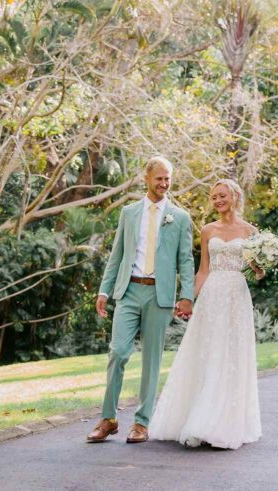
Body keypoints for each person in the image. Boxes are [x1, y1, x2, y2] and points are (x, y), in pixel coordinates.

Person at [147, 178, 263, 449]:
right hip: (212, 296)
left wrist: (260, 266)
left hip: (237, 295)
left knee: (232, 355)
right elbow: (203, 270)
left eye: (222, 195)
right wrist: (189, 299)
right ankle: (200, 419)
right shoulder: (207, 230)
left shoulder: (250, 231)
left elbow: (257, 273)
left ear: (234, 196)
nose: (218, 200)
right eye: (214, 197)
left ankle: (225, 423)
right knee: (209, 353)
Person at [86, 156, 195, 444]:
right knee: (118, 352)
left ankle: (142, 423)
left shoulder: (180, 217)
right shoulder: (129, 213)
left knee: (151, 360)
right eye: (159, 178)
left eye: (168, 178)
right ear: (146, 179)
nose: (164, 183)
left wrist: (186, 296)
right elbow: (117, 255)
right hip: (129, 291)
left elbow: (185, 258)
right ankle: (108, 419)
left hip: (159, 295)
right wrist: (104, 290)